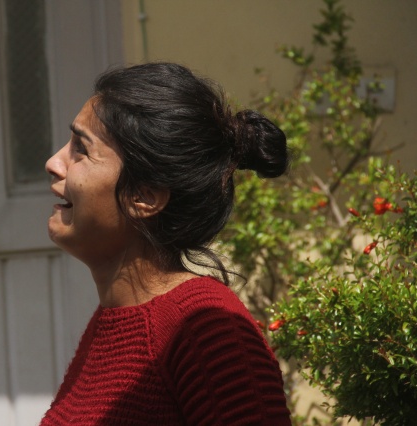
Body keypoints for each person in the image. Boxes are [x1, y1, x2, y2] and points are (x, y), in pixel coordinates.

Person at [40, 62, 292, 425]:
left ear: (144, 196)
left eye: (81, 149)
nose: (53, 163)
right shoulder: (114, 318)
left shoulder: (208, 330)